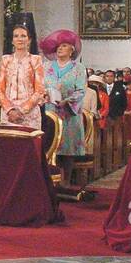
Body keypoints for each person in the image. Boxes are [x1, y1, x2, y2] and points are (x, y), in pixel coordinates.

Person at [42, 29, 87, 180]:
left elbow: (81, 91)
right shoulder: (46, 66)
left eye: (65, 45)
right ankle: (49, 181)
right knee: (49, 145)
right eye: (59, 46)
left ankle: (65, 181)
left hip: (69, 114)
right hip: (50, 111)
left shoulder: (78, 68)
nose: (60, 48)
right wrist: (44, 95)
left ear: (72, 50)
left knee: (66, 149)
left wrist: (66, 101)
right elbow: (39, 87)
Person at [0, 23, 46, 130]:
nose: (20, 39)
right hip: (8, 113)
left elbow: (39, 90)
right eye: (16, 36)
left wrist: (21, 110)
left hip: (30, 114)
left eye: (23, 36)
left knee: (28, 145)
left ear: (29, 40)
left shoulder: (36, 60)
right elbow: (0, 90)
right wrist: (10, 110)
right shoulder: (5, 60)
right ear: (12, 41)